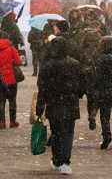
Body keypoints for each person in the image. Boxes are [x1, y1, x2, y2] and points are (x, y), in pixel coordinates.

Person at [36, 37, 84, 175]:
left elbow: (42, 88)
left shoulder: (47, 66)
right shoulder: (75, 64)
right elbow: (82, 84)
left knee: (56, 133)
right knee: (68, 133)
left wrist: (40, 107)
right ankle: (65, 162)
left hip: (53, 104)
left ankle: (57, 160)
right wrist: (78, 94)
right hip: (70, 104)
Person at [0, 30, 23, 129]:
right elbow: (19, 62)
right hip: (12, 79)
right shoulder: (12, 49)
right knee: (12, 100)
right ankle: (12, 121)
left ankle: (2, 122)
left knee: (1, 101)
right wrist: (11, 62)